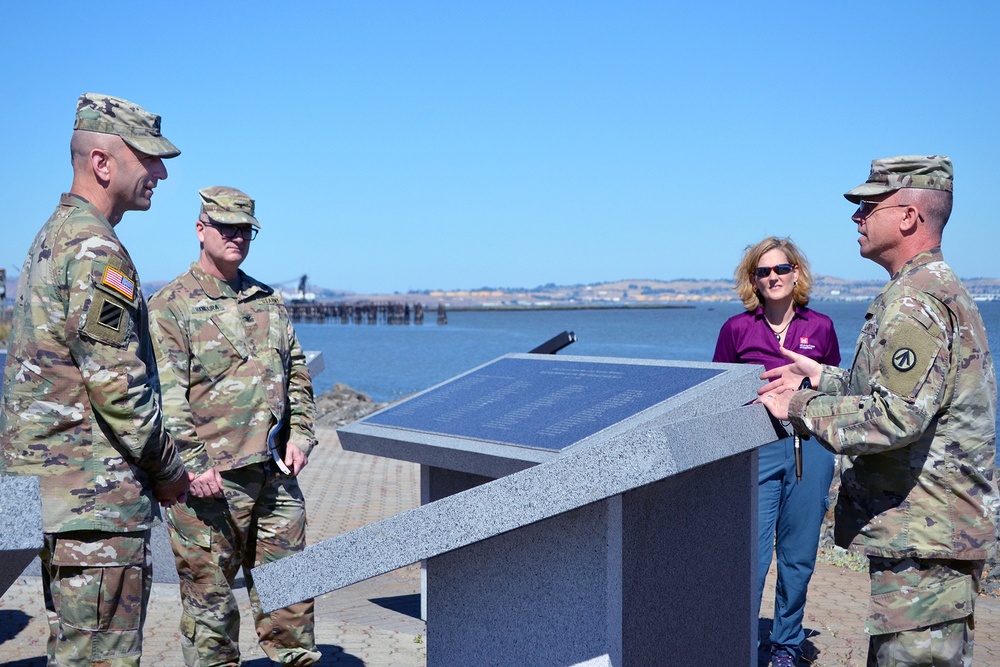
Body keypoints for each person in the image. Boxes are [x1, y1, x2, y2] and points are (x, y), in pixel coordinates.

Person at [758, 156, 997, 666]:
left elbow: (893, 418)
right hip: (928, 540)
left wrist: (800, 405)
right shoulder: (926, 289)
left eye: (868, 205)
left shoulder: (917, 301)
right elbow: (903, 395)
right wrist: (824, 377)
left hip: (927, 543)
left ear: (908, 216)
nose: (857, 218)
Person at [0, 93, 191, 665]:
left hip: (59, 501)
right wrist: (170, 471)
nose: (160, 172)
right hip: (97, 508)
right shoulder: (94, 248)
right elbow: (120, 389)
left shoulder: (52, 235)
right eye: (148, 158)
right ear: (103, 163)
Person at [148, 186, 321, 666]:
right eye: (225, 227)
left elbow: (298, 372)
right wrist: (193, 464)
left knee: (292, 602)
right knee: (212, 612)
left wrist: (302, 434)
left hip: (275, 477)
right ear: (201, 229)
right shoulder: (171, 305)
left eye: (245, 229)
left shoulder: (267, 299)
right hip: (211, 483)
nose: (236, 237)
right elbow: (165, 395)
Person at [713, 237, 840, 667]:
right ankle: (738, 642)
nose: (773, 277)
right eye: (763, 271)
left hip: (812, 450)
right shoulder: (735, 329)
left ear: (796, 274)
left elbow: (836, 386)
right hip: (757, 450)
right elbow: (719, 394)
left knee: (798, 554)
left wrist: (806, 387)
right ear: (753, 280)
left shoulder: (820, 326)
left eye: (781, 269)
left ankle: (786, 644)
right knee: (752, 555)